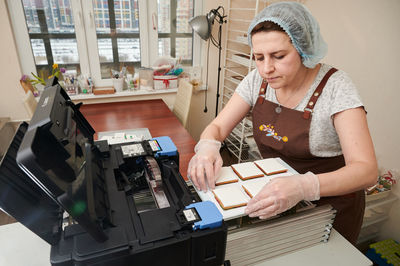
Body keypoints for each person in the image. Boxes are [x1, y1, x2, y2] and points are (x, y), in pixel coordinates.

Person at [187, 1, 377, 244]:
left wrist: (304, 187)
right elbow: (218, 127)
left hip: (330, 211)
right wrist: (207, 147)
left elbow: (367, 171)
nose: (267, 68)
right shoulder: (257, 80)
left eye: (279, 56)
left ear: (303, 48)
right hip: (276, 201)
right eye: (258, 57)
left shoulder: (336, 88)